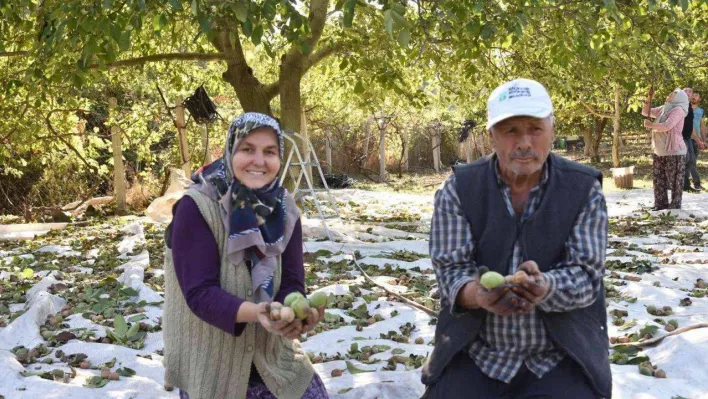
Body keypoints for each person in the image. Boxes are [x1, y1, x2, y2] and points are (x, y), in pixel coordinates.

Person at [421, 78, 610, 399]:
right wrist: (476, 294)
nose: (524, 142)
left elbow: (587, 275)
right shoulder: (459, 189)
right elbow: (450, 270)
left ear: (552, 130)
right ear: (491, 135)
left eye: (535, 129)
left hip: (561, 355)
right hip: (476, 352)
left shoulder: (583, 189)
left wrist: (544, 287)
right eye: (510, 130)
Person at [162, 112, 329, 399]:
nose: (259, 161)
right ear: (230, 150)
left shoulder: (285, 209)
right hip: (214, 368)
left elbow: (291, 280)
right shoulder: (196, 207)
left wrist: (296, 314)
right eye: (247, 149)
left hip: (274, 359)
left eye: (270, 152)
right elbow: (200, 293)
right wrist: (260, 313)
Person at [642, 87, 689, 210]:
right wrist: (649, 97)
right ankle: (660, 204)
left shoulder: (678, 110)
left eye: (673, 93)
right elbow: (645, 111)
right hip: (659, 150)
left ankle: (675, 205)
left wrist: (651, 125)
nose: (670, 94)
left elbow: (667, 126)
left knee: (675, 181)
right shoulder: (664, 108)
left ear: (679, 98)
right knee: (659, 179)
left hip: (674, 151)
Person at [688, 90, 706, 190]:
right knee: (691, 161)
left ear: (700, 99)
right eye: (692, 95)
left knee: (692, 162)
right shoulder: (686, 108)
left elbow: (702, 126)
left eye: (696, 96)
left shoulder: (701, 111)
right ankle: (697, 183)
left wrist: (704, 140)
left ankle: (688, 182)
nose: (694, 97)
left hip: (697, 139)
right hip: (687, 138)